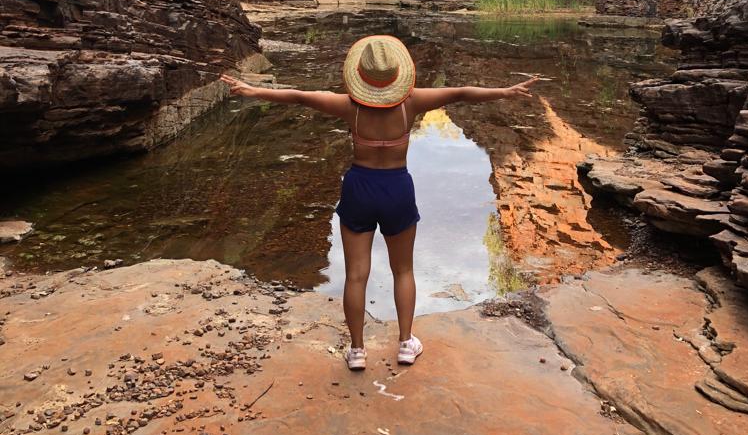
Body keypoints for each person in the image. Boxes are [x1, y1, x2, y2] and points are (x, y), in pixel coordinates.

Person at [221, 34, 541, 372]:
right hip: (397, 187)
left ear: (361, 76)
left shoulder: (348, 106)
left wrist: (254, 91)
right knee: (403, 269)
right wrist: (505, 92)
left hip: (360, 187)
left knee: (356, 275)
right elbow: (462, 93)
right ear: (396, 76)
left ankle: (357, 350)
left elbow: (301, 97)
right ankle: (405, 343)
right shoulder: (413, 102)